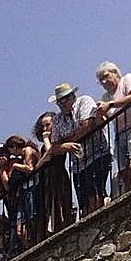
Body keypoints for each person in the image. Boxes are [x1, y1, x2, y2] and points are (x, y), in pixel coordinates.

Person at [48, 82, 111, 216]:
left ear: (72, 96)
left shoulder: (84, 101)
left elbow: (87, 126)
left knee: (96, 193)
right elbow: (54, 147)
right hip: (78, 165)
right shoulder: (57, 119)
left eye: (65, 99)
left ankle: (100, 219)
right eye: (59, 102)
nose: (62, 104)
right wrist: (64, 146)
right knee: (84, 201)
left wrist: (66, 141)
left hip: (97, 154)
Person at [95, 62, 131, 194]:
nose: (104, 81)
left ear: (115, 73)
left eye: (106, 76)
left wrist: (111, 104)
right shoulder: (105, 97)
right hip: (120, 133)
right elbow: (103, 121)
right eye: (100, 80)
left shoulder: (127, 79)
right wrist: (98, 113)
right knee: (124, 170)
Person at [34, 112, 74, 235]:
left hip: (59, 177)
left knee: (61, 205)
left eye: (48, 125)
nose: (45, 129)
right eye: (43, 126)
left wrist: (46, 139)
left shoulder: (59, 141)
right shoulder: (43, 148)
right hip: (47, 180)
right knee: (48, 209)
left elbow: (51, 152)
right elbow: (38, 165)